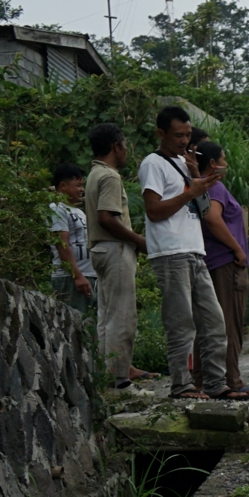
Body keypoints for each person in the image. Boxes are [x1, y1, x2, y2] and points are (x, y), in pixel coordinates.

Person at [139, 106, 227, 401]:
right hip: (170, 252)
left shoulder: (184, 162)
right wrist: (190, 191)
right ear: (161, 133)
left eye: (188, 135)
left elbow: (202, 210)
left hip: (194, 250)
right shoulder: (153, 163)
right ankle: (182, 384)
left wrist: (195, 178)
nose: (185, 140)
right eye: (179, 135)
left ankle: (216, 383)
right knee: (181, 323)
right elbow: (153, 211)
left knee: (214, 322)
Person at [85, 123, 151, 387]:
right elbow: (106, 217)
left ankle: (105, 372)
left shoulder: (93, 174)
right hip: (114, 248)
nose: (126, 151)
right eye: (125, 145)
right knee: (122, 316)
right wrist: (139, 241)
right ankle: (119, 377)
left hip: (99, 250)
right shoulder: (110, 176)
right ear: (116, 146)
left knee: (107, 316)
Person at [194, 140, 249, 401]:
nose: (226, 164)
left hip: (210, 260)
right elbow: (213, 218)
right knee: (230, 323)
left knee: (209, 324)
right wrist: (238, 250)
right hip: (224, 262)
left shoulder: (197, 185)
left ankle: (202, 379)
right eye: (223, 159)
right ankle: (231, 380)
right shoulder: (215, 186)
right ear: (212, 164)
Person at [48, 163, 95, 313]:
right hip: (71, 278)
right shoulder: (57, 208)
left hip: (89, 276)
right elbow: (62, 243)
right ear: (63, 186)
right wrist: (77, 276)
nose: (82, 190)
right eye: (78, 185)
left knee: (91, 327)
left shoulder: (78, 211)